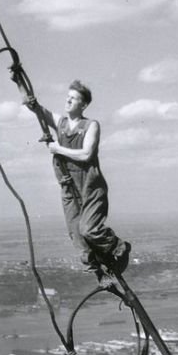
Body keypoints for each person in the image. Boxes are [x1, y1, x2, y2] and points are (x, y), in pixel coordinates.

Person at [25, 80, 130, 285]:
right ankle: (98, 273)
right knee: (77, 235)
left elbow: (86, 154)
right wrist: (19, 81)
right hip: (68, 186)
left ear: (83, 105)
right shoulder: (61, 124)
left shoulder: (91, 126)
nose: (68, 100)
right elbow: (36, 108)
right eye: (68, 97)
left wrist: (58, 149)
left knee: (89, 229)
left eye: (73, 98)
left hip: (90, 185)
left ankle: (119, 248)